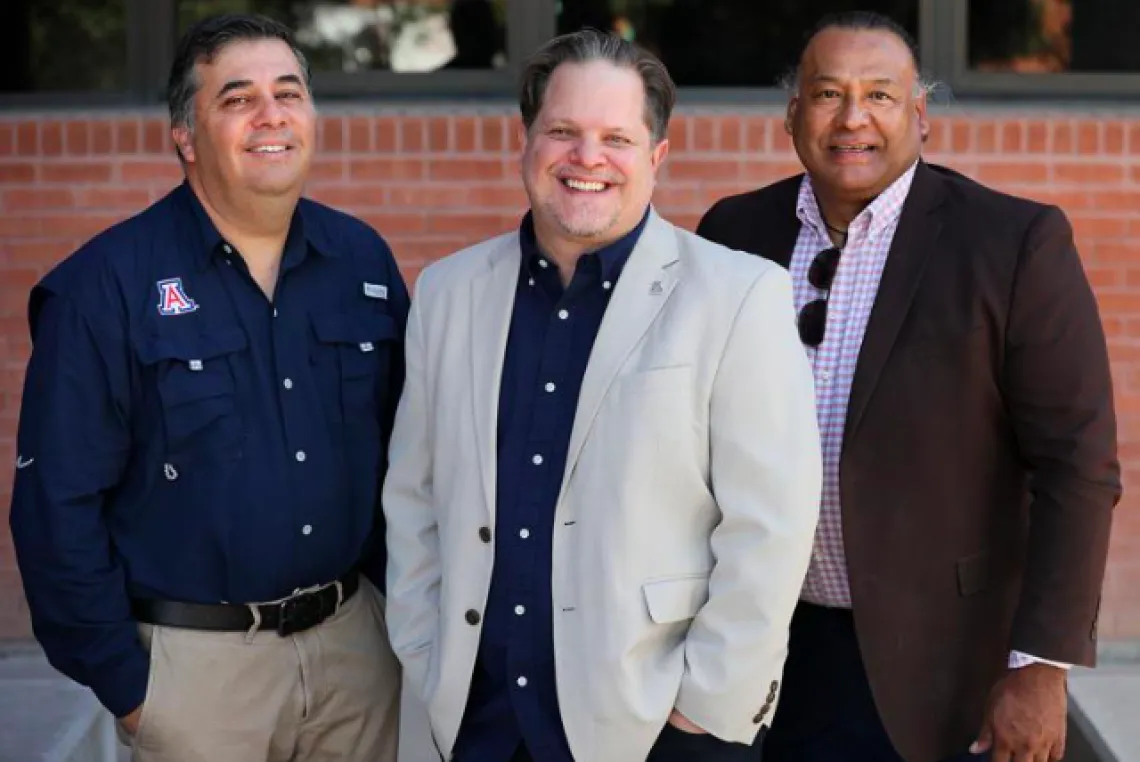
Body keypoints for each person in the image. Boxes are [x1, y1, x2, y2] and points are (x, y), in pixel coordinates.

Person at [383, 28, 822, 762]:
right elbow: (414, 500)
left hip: (651, 728)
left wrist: (705, 710)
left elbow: (770, 528)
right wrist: (427, 657)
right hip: (473, 723)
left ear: (655, 156)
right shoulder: (448, 294)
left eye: (616, 138)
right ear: (526, 141)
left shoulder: (737, 295)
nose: (587, 159)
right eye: (563, 132)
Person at [696, 11, 1119, 762]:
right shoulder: (734, 232)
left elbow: (1076, 466)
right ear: (793, 114)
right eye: (827, 93)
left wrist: (1039, 667)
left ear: (919, 115)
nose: (853, 118)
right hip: (761, 648)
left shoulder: (1012, 244)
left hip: (938, 666)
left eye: (881, 96)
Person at [9, 13, 407, 762]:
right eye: (237, 98)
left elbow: (406, 462)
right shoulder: (104, 288)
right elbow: (55, 507)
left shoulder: (363, 263)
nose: (271, 116)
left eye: (288, 92)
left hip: (354, 655)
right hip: (196, 677)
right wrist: (132, 691)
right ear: (186, 137)